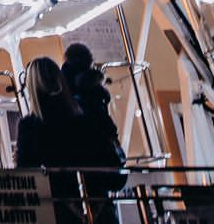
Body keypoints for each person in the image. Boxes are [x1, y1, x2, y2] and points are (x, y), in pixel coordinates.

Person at [14, 56, 84, 224]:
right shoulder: (78, 118)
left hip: (50, 204)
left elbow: (25, 172)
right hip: (81, 198)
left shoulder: (30, 125)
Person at [60, 43, 129, 206]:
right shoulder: (97, 93)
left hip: (77, 163)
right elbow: (109, 128)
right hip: (101, 161)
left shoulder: (65, 89)